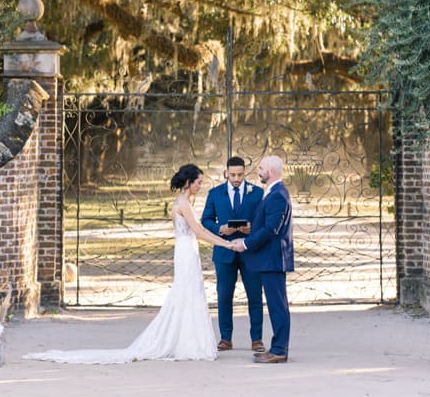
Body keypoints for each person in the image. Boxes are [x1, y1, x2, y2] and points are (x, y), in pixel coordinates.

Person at [25, 164, 237, 364]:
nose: (200, 186)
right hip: (186, 252)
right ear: (189, 182)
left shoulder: (182, 202)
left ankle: (186, 339)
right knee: (188, 292)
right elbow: (199, 232)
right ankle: (188, 343)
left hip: (185, 250)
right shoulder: (183, 203)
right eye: (198, 182)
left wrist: (223, 242)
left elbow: (196, 232)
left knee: (189, 293)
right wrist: (227, 244)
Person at [231, 153, 294, 363]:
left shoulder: (277, 194)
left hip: (273, 259)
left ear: (272, 171)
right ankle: (277, 348)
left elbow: (271, 229)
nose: (258, 172)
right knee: (276, 305)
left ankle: (279, 351)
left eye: (261, 168)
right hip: (269, 258)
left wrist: (246, 243)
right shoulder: (272, 192)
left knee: (278, 306)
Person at [200, 155, 265, 352]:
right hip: (224, 252)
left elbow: (264, 221)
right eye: (233, 175)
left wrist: (251, 229)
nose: (236, 178)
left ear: (245, 173)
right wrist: (220, 229)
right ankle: (225, 338)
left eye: (240, 174)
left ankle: (257, 339)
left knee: (254, 296)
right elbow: (206, 220)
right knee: (224, 296)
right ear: (226, 173)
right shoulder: (215, 193)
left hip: (250, 252)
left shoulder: (257, 193)